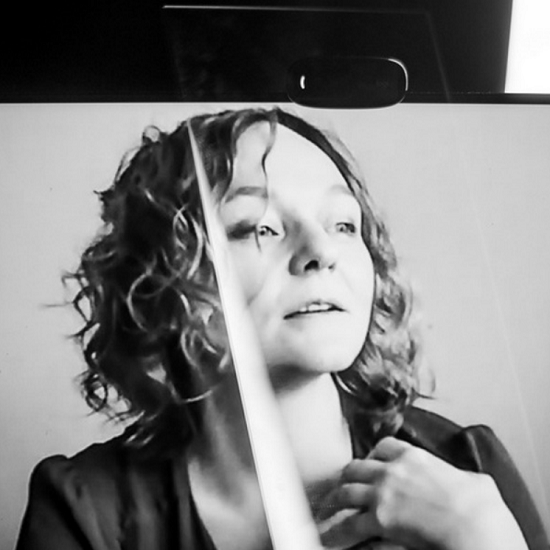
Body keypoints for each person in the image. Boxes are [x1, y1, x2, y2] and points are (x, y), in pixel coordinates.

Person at [16, 107, 548, 550]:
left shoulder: (468, 466)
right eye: (259, 227)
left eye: (344, 224)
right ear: (160, 281)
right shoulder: (86, 510)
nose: (321, 250)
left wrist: (490, 542)